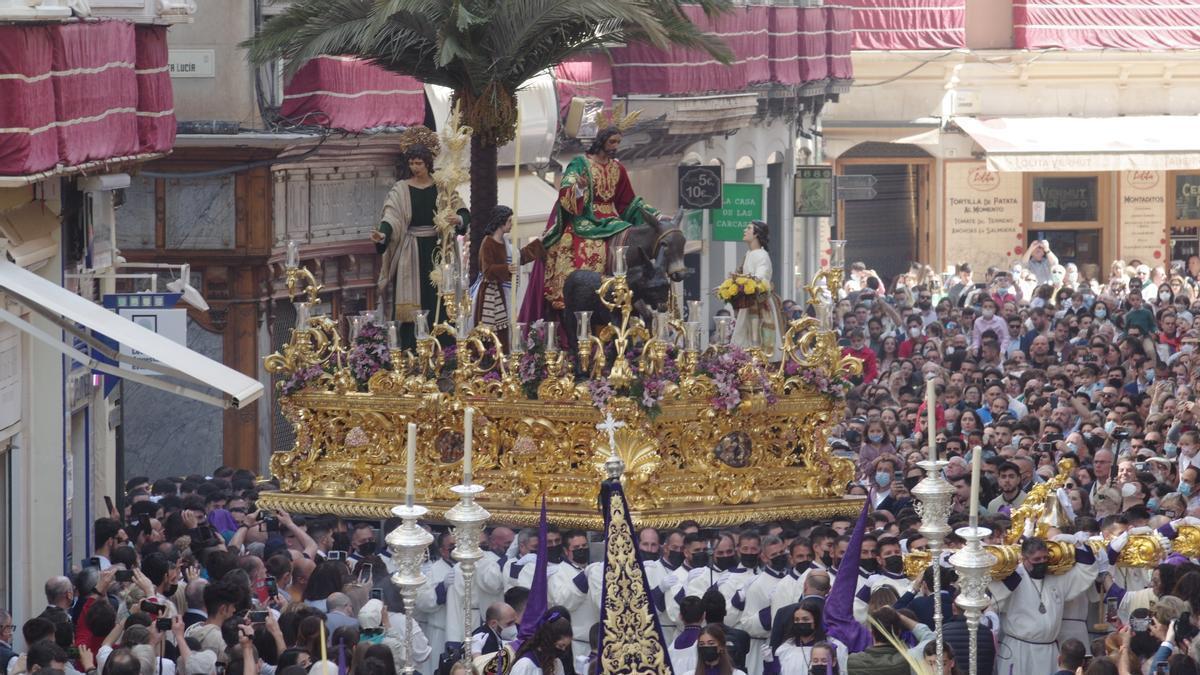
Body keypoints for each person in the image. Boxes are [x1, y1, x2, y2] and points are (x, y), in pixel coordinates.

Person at [536, 125, 657, 314]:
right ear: (601, 141)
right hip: (584, 218)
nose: (615, 146)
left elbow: (628, 202)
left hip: (612, 220)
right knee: (585, 246)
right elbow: (567, 187)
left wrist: (653, 217)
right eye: (612, 142)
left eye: (618, 142)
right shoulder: (580, 164)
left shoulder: (618, 168)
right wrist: (579, 189)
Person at [373, 133, 470, 347]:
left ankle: (445, 348)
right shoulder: (401, 189)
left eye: (419, 163)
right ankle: (412, 350)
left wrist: (458, 218)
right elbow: (391, 216)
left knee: (441, 301)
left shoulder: (443, 186)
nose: (415, 167)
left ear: (428, 163)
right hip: (411, 252)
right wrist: (383, 234)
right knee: (413, 307)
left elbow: (461, 209)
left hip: (438, 250)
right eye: (411, 163)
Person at [988, 537, 1098, 675]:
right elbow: (992, 601)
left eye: (1045, 558)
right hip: (1019, 649)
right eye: (1037, 559)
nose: (1042, 562)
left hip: (1049, 651)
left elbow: (1087, 570)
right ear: (1024, 558)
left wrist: (1077, 542)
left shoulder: (1056, 578)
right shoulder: (1013, 578)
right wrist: (1013, 578)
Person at [471, 205, 545, 351]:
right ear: (501, 222)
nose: (511, 225)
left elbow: (520, 257)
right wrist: (506, 269)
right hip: (490, 294)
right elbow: (487, 270)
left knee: (504, 327)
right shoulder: (488, 242)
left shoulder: (505, 244)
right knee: (493, 329)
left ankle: (503, 358)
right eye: (510, 221)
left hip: (503, 291)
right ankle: (489, 358)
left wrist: (539, 242)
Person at [730, 220, 783, 359]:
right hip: (748, 302)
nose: (744, 231)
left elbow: (760, 278)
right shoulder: (749, 254)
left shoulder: (761, 255)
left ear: (756, 234)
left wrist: (741, 282)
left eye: (748, 228)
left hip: (759, 304)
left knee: (756, 341)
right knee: (743, 339)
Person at [770, 598, 848, 675]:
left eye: (805, 619)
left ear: (816, 620)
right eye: (797, 620)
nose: (800, 622)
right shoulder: (785, 650)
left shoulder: (835, 647)